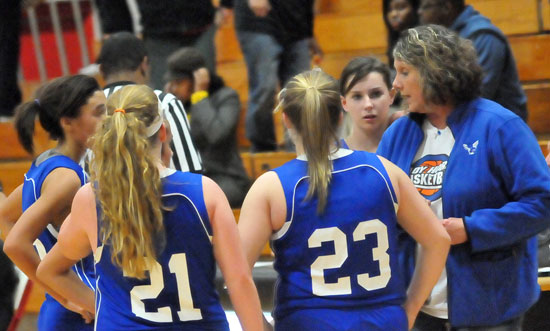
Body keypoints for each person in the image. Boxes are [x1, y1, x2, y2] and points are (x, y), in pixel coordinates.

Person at [35, 84, 264, 330]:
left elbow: (49, 270)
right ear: (163, 132)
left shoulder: (91, 199)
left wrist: (98, 306)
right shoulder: (205, 192)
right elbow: (239, 281)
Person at [238, 69, 450, 330]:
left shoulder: (271, 188)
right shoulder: (383, 171)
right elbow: (438, 240)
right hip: (384, 322)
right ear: (340, 113)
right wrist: (410, 309)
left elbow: (238, 275)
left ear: (286, 120)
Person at [377, 25, 550, 330]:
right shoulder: (396, 136)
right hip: (417, 309)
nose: (396, 84)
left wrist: (472, 228)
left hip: (490, 307)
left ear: (434, 72)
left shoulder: (500, 126)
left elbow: (542, 203)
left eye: (404, 72)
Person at [0, 75, 106, 330]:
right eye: (99, 113)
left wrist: (57, 292)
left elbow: (3, 216)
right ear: (68, 122)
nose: (108, 121)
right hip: (82, 311)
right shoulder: (67, 179)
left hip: (64, 308)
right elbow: (15, 244)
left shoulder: (46, 164)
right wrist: (66, 295)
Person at [95, 32, 202, 173]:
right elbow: (191, 172)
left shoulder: (91, 109)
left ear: (101, 70)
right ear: (144, 64)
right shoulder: (164, 102)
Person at [164, 47, 251, 207]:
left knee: (197, 201)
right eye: (172, 84)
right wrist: (166, 105)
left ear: (197, 78)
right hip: (191, 179)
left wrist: (199, 95)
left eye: (179, 82)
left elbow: (216, 134)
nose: (175, 89)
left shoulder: (226, 98)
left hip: (226, 178)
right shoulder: (178, 106)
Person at [234, 0, 322, 152]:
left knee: (300, 92)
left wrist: (309, 32)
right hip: (258, 21)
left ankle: (297, 148)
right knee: (265, 87)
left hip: (296, 24)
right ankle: (263, 149)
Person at [417, 0, 528, 121]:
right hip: (465, 121)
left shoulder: (483, 36)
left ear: (446, 7)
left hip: (500, 129)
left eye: (425, 7)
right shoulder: (443, 38)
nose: (419, 12)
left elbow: (478, 94)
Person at [94, 0, 232, 89]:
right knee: (163, 100)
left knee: (206, 90)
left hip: (201, 28)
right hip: (157, 36)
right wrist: (116, 28)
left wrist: (227, 4)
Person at [339, 57, 396, 152]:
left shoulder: (411, 145)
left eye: (376, 94)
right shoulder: (333, 157)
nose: (368, 105)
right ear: (344, 103)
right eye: (357, 96)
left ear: (391, 95)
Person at [383, 0, 420, 69]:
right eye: (389, 10)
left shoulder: (425, 40)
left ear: (415, 9)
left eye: (400, 8)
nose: (393, 14)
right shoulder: (394, 41)